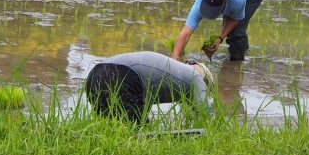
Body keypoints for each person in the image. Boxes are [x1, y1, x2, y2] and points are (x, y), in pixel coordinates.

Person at [85, 51, 213, 125]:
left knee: (112, 126)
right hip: (121, 75)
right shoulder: (196, 77)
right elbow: (207, 115)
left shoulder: (170, 72)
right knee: (135, 134)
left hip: (95, 74)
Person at [171, 0, 267, 62]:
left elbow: (234, 20)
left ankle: (237, 63)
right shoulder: (201, 0)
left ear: (226, 3)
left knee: (237, 29)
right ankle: (239, 53)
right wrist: (174, 61)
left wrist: (219, 39)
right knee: (229, 26)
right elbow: (186, 33)